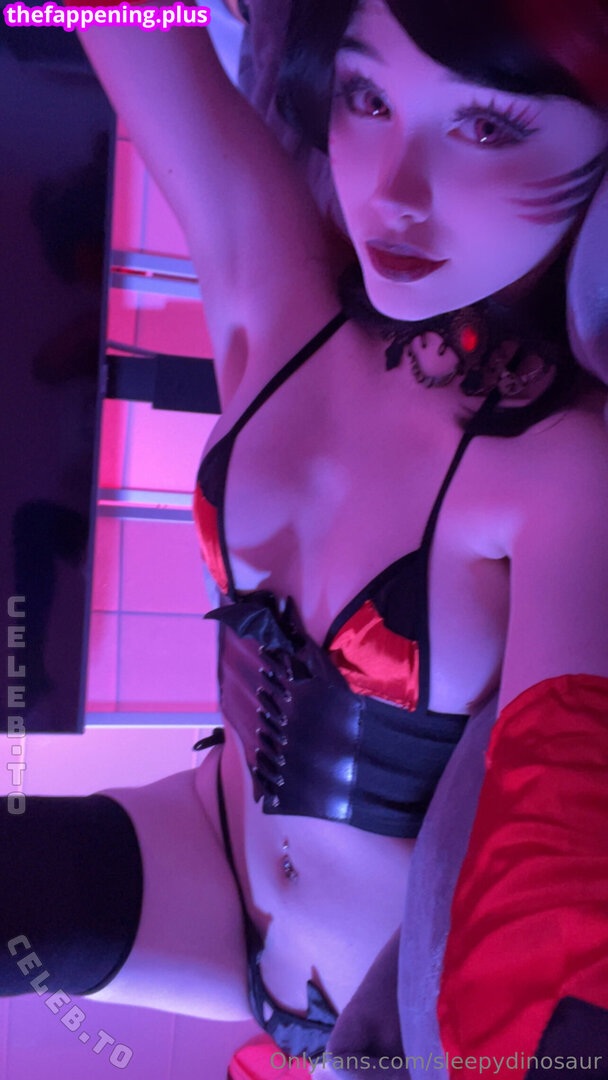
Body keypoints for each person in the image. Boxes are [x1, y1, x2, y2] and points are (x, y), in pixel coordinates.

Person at [3, 0, 607, 1073]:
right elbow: (120, 25)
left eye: (484, 126)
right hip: (205, 853)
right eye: (367, 97)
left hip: (386, 1013)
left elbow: (557, 859)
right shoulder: (287, 298)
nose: (392, 189)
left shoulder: (569, 469)